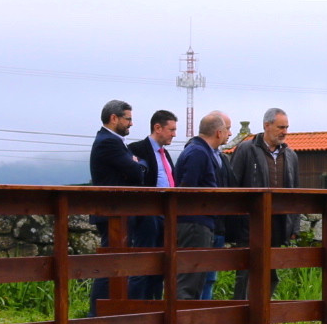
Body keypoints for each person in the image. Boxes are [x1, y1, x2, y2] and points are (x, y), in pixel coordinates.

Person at [224, 106, 299, 299]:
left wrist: (294, 225)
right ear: (267, 125)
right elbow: (233, 187)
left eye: (287, 127)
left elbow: (296, 193)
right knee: (246, 269)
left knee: (270, 269)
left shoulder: (290, 155)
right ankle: (239, 312)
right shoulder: (246, 149)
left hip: (278, 222)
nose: (285, 132)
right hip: (250, 221)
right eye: (281, 127)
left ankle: (262, 308)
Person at [87, 99, 144, 316]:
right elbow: (137, 172)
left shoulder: (112, 141)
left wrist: (136, 163)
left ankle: (109, 311)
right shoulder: (108, 142)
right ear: (114, 118)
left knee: (116, 264)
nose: (131, 123)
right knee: (110, 264)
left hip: (116, 212)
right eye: (128, 118)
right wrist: (137, 163)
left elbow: (136, 168)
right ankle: (98, 314)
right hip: (112, 211)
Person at [174, 110, 232, 304]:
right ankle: (183, 322)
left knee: (197, 274)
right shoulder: (198, 153)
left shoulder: (201, 151)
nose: (228, 135)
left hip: (200, 221)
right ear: (218, 133)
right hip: (193, 221)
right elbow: (188, 189)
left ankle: (189, 322)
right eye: (226, 130)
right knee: (190, 273)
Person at [127, 109, 178, 301]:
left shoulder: (165, 154)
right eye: (171, 129)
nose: (174, 134)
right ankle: (136, 307)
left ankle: (155, 306)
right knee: (142, 262)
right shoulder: (137, 149)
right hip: (147, 214)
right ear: (158, 128)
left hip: (166, 214)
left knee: (161, 264)